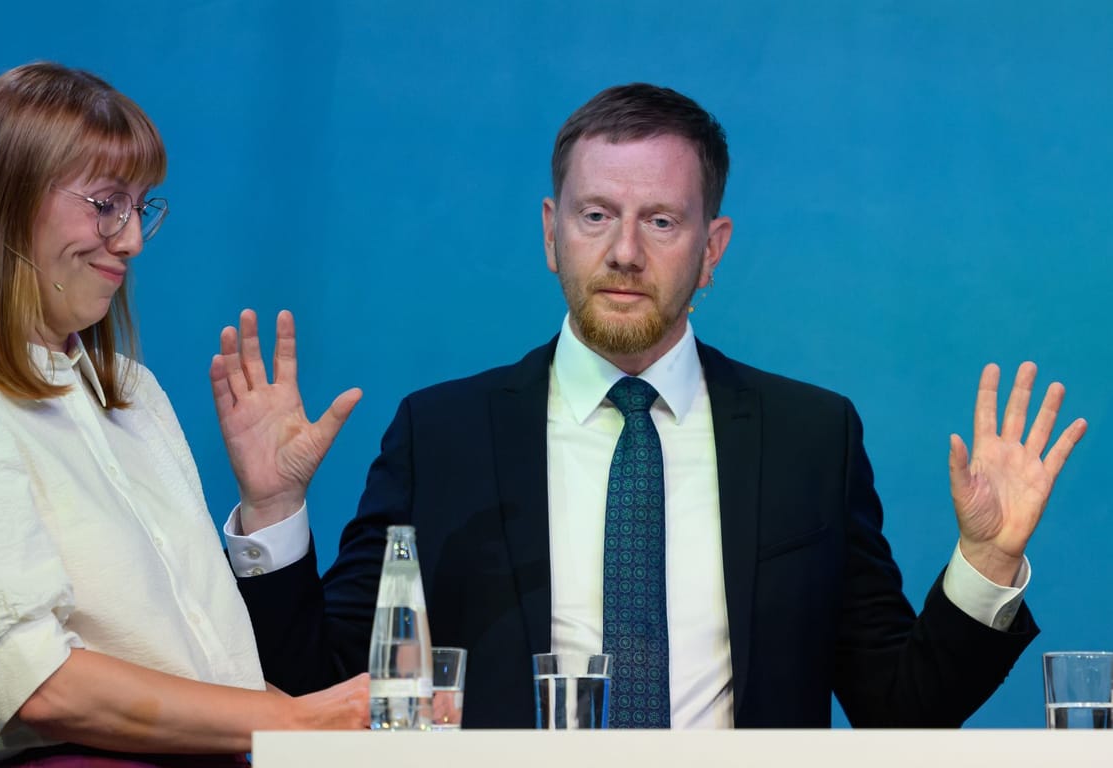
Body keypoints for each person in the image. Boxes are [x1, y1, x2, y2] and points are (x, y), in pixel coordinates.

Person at [214, 83, 1088, 728]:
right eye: (597, 215)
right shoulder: (440, 433)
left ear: (713, 250)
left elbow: (902, 712)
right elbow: (317, 691)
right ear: (551, 231)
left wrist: (984, 561)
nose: (625, 251)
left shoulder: (809, 438)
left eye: (661, 223)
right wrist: (276, 511)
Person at [0, 62, 367, 768]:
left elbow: (202, 668)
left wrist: (270, 506)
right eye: (105, 204)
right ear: (5, 201)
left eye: (140, 207)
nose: (131, 240)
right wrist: (297, 722)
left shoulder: (132, 395)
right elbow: (38, 685)